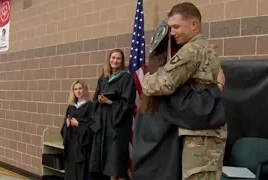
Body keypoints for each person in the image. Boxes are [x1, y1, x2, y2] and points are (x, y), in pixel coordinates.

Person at [140, 2, 227, 180]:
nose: (172, 33)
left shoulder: (192, 50)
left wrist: (146, 78)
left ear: (194, 25)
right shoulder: (206, 47)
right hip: (204, 131)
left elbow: (160, 84)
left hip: (201, 137)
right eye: (170, 28)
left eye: (176, 27)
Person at [89, 49, 136, 180]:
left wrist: (110, 102)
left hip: (118, 125)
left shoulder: (126, 78)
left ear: (122, 61)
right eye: (113, 58)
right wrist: (99, 100)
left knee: (117, 163)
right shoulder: (103, 78)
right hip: (104, 124)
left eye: (118, 58)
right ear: (109, 59)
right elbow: (95, 99)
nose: (115, 61)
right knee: (109, 164)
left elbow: (128, 103)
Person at [60, 79, 94, 180]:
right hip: (71, 145)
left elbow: (92, 128)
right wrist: (67, 124)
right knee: (70, 172)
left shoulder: (90, 106)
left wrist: (78, 124)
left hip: (82, 147)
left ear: (85, 90)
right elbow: (63, 129)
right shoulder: (71, 107)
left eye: (80, 88)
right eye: (75, 89)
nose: (78, 91)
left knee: (82, 173)